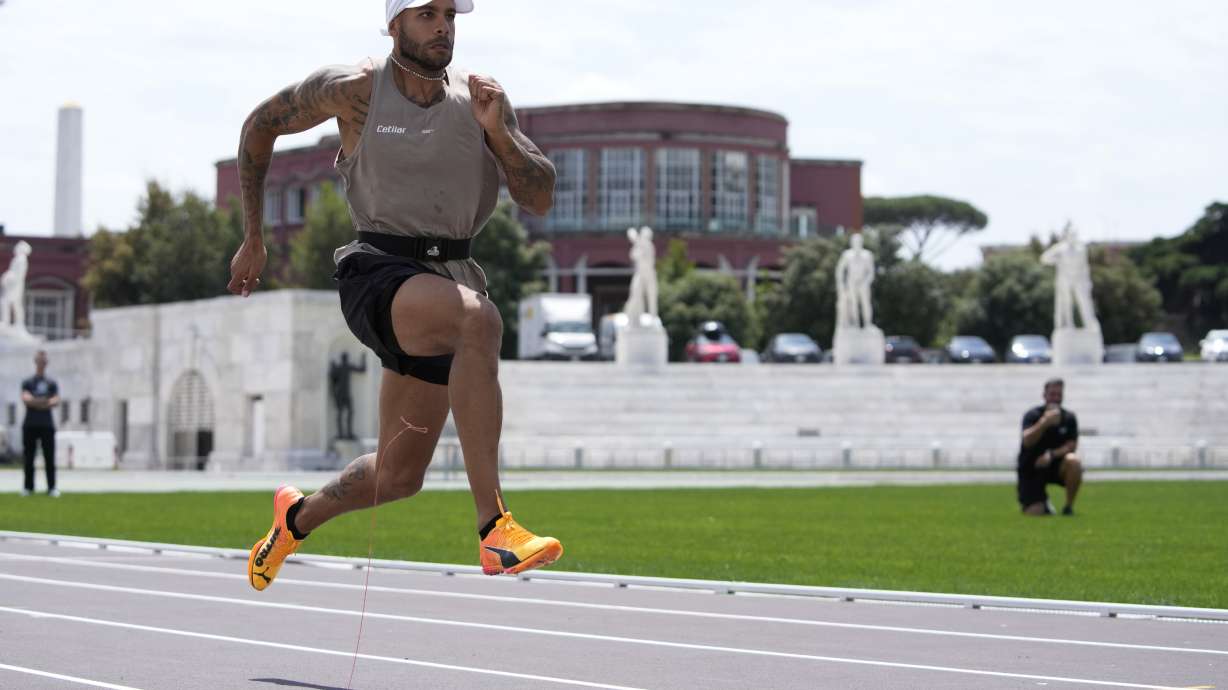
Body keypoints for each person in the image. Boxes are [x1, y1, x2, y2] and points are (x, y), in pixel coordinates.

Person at [229, 0, 562, 590]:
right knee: (478, 323)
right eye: (426, 14)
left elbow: (539, 195)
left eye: (450, 16)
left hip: (450, 278)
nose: (442, 26)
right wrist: (254, 237)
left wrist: (497, 133)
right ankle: (495, 529)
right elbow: (259, 126)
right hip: (378, 271)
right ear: (394, 24)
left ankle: (293, 520)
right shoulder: (356, 89)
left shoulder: (483, 99)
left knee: (399, 475)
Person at [1018, 378, 1084, 516]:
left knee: (1074, 462)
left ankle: (1068, 507)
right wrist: (1044, 422)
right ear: (1044, 395)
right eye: (1052, 394)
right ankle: (1044, 504)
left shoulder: (1069, 418)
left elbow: (1072, 445)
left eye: (1059, 395)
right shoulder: (1033, 415)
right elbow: (1027, 441)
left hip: (1055, 465)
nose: (1055, 398)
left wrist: (1051, 455)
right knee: (1035, 513)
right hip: (1032, 467)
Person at [20, 350, 60, 497]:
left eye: (44, 361)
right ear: (35, 362)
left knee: (49, 457)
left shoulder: (51, 383)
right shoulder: (28, 382)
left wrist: (36, 402)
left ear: (46, 363)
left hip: (47, 425)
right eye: (39, 360)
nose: (41, 363)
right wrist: (45, 402)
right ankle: (28, 488)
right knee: (29, 458)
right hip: (30, 424)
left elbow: (55, 401)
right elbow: (26, 399)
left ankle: (52, 488)